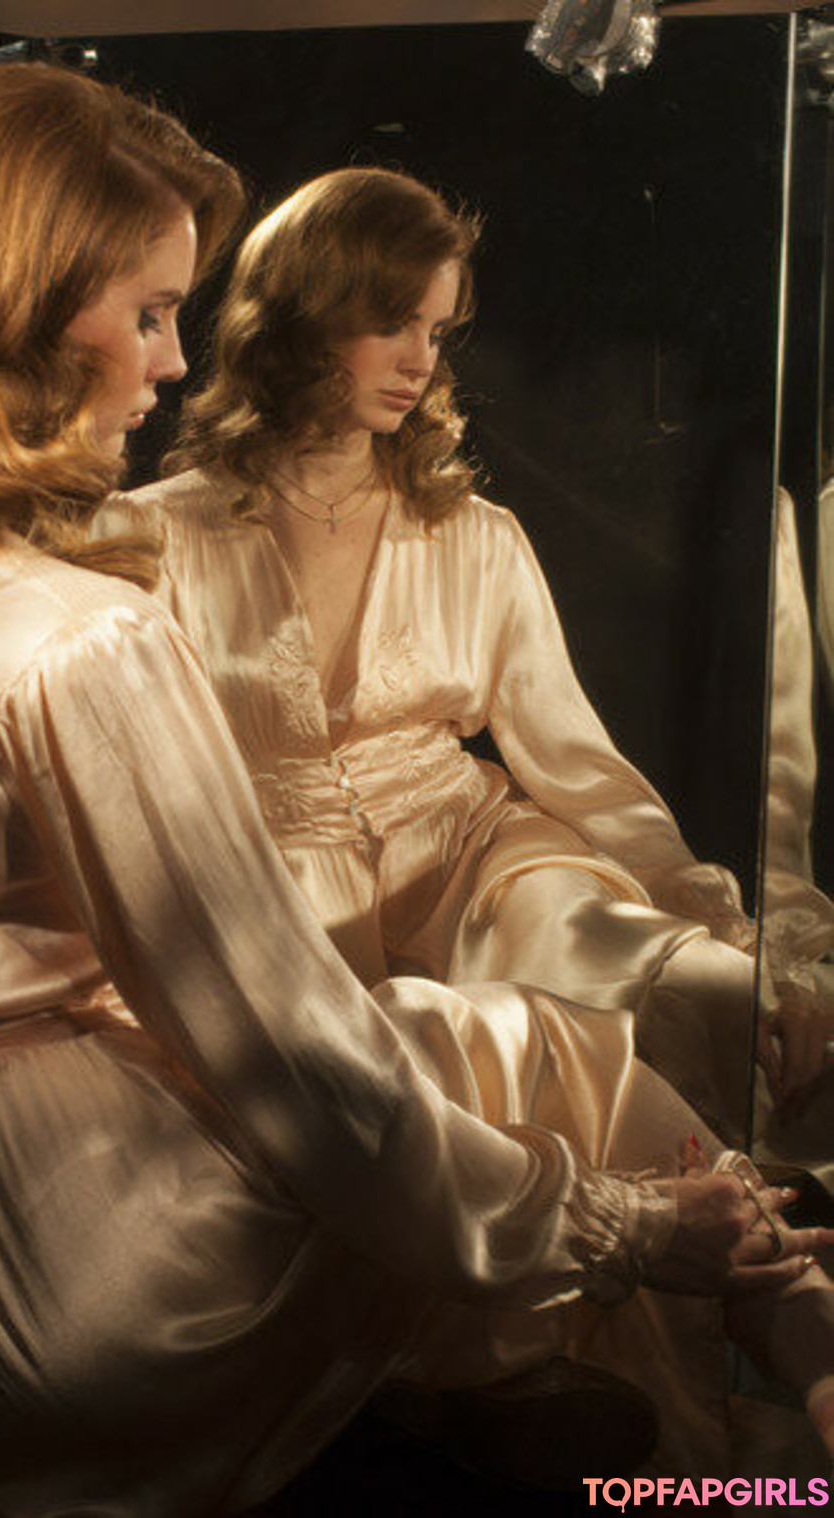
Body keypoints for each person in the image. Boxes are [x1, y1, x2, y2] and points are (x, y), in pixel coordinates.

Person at [0, 67, 830, 1518]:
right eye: (148, 312)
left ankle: (668, 1354)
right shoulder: (76, 632)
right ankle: (782, 1371)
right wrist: (621, 1225)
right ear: (14, 314)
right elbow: (299, 1068)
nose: (170, 363)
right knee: (501, 1047)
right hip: (74, 1318)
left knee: (463, 1031)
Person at [123, 166, 834, 1144]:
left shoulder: (474, 535)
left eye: (437, 331)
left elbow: (582, 771)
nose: (420, 361)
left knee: (690, 987)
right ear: (302, 317)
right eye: (393, 324)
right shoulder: (151, 538)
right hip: (263, 895)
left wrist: (740, 946)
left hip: (471, 862)